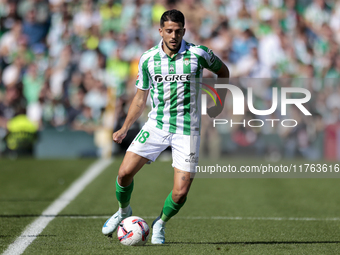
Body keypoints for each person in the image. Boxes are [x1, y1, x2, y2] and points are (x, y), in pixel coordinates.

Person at [102, 9, 229, 244]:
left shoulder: (198, 54)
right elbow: (140, 98)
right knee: (123, 173)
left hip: (187, 132)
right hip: (156, 125)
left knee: (181, 192)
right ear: (160, 31)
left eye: (178, 31)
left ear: (184, 31)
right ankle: (123, 211)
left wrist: (218, 103)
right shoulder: (148, 58)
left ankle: (160, 224)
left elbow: (223, 71)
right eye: (168, 31)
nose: (173, 36)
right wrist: (124, 127)